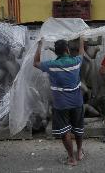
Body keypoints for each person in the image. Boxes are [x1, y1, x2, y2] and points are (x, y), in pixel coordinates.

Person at [33, 38, 85, 166]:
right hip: (77, 102)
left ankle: (71, 158)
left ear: (56, 53)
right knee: (78, 129)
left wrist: (39, 45)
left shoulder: (51, 65)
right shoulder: (76, 62)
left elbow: (36, 62)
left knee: (65, 131)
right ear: (67, 50)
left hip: (61, 105)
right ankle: (79, 152)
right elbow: (82, 53)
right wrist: (82, 39)